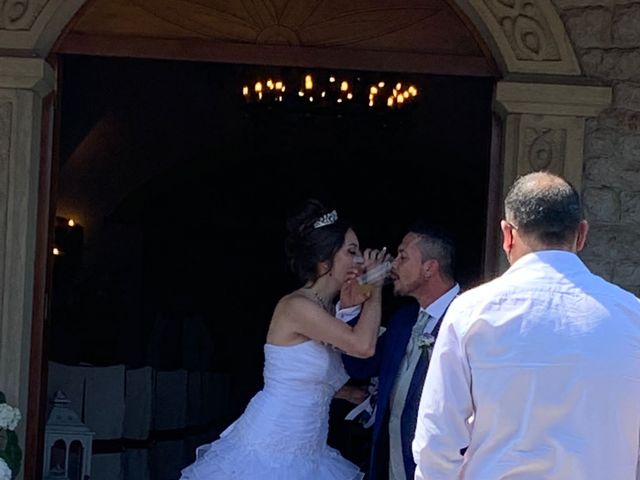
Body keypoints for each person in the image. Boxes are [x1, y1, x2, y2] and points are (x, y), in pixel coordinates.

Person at [413, 171, 640, 479]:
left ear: (507, 234)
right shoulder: (632, 315)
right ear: (582, 234)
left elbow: (437, 440)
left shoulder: (470, 312)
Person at [180, 199, 385, 480]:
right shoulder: (297, 306)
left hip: (309, 451)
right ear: (324, 259)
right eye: (351, 251)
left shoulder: (325, 310)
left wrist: (348, 393)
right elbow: (362, 346)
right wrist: (375, 286)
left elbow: (304, 376)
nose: (360, 259)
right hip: (272, 448)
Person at [341, 222, 460, 480]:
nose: (393, 265)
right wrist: (357, 300)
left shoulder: (468, 318)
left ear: (430, 268)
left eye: (403, 257)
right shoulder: (403, 319)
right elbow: (360, 366)